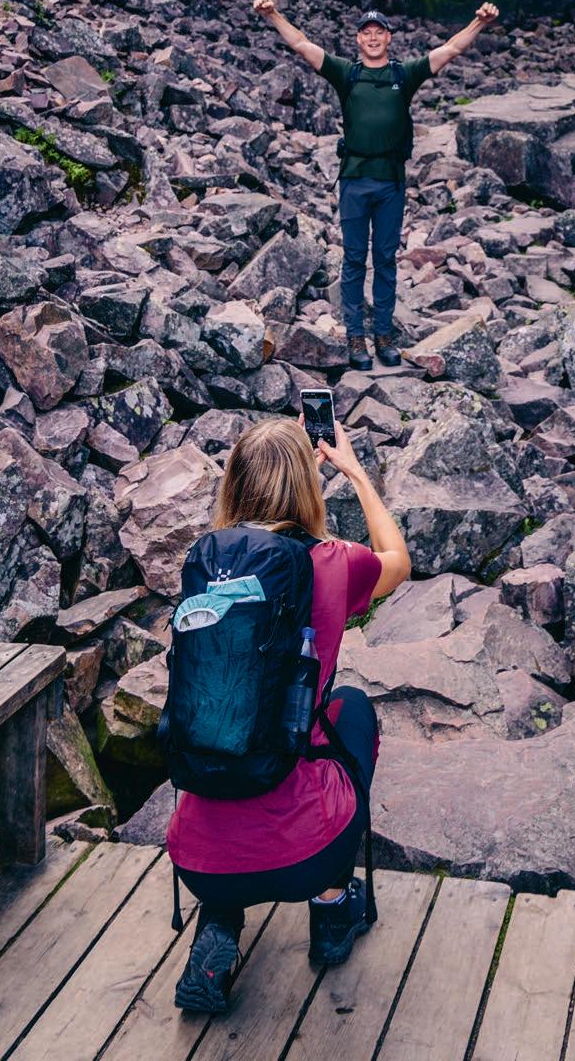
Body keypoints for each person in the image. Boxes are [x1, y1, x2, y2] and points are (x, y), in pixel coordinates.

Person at [169, 415, 410, 1012]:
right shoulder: (334, 561)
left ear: (233, 482)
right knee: (351, 710)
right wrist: (353, 471)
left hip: (196, 861)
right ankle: (331, 910)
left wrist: (288, 460)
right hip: (304, 858)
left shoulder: (208, 565)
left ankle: (216, 932)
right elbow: (397, 560)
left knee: (228, 730)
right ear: (305, 485)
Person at [252, 0, 500, 369]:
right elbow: (302, 44)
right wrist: (273, 14)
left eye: (378, 32)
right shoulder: (347, 74)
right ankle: (356, 338)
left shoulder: (404, 75)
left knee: (385, 259)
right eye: (366, 32)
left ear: (388, 38)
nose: (372, 37)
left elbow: (450, 49)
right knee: (354, 260)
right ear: (358, 39)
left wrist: (479, 22)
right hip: (354, 181)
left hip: (391, 184)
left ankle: (383, 335)